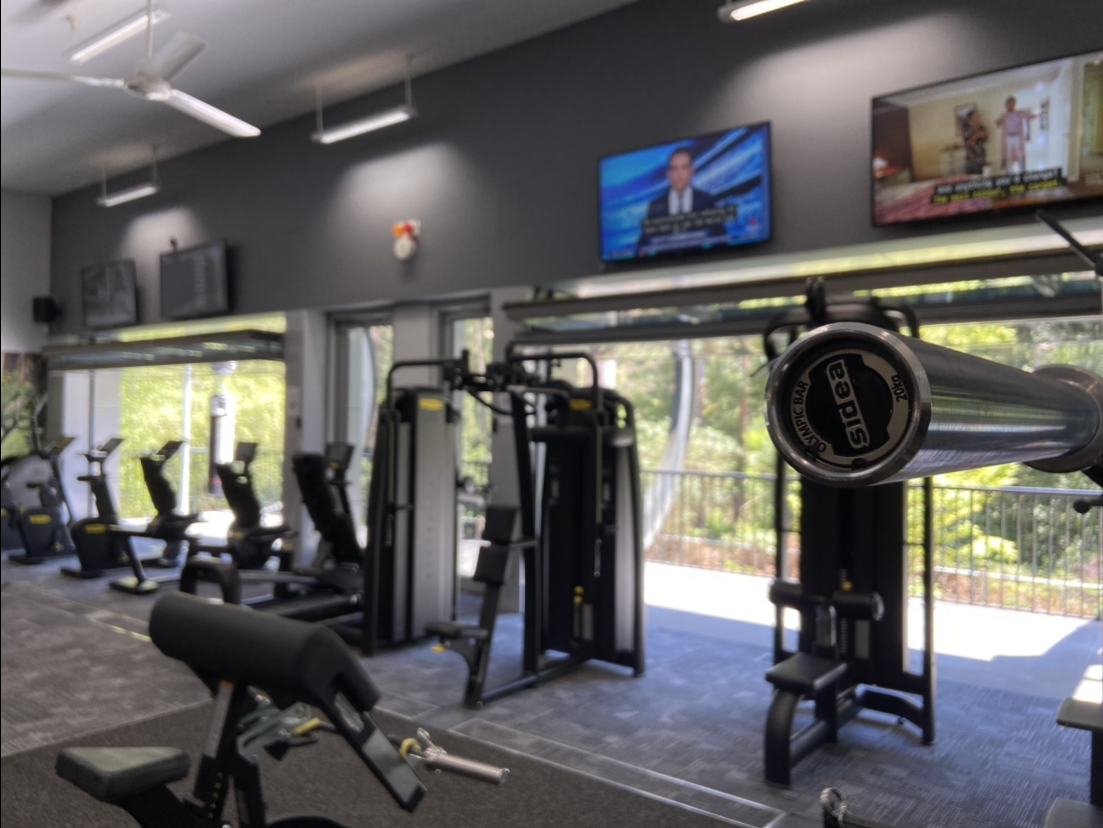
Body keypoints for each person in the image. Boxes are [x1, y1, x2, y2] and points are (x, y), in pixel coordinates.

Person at [646, 148, 717, 217]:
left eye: (684, 167)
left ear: (692, 171)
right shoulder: (655, 206)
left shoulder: (706, 201)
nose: (679, 174)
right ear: (668, 174)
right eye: (674, 168)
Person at [995, 96, 1036, 173]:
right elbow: (997, 123)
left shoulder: (1019, 113)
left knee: (1020, 155)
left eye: (1014, 103)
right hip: (1008, 137)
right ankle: (1008, 173)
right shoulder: (1004, 115)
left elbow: (1029, 116)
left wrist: (1038, 114)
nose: (1012, 105)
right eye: (1010, 104)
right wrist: (1001, 120)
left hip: (1017, 137)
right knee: (1008, 156)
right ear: (1007, 105)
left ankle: (1023, 172)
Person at [961, 108, 988, 175]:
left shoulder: (981, 127)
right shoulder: (967, 129)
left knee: (982, 177)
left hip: (981, 158)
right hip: (972, 160)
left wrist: (984, 134)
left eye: (979, 117)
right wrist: (977, 136)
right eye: (977, 117)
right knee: (973, 178)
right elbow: (968, 144)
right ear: (972, 119)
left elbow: (985, 138)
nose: (979, 118)